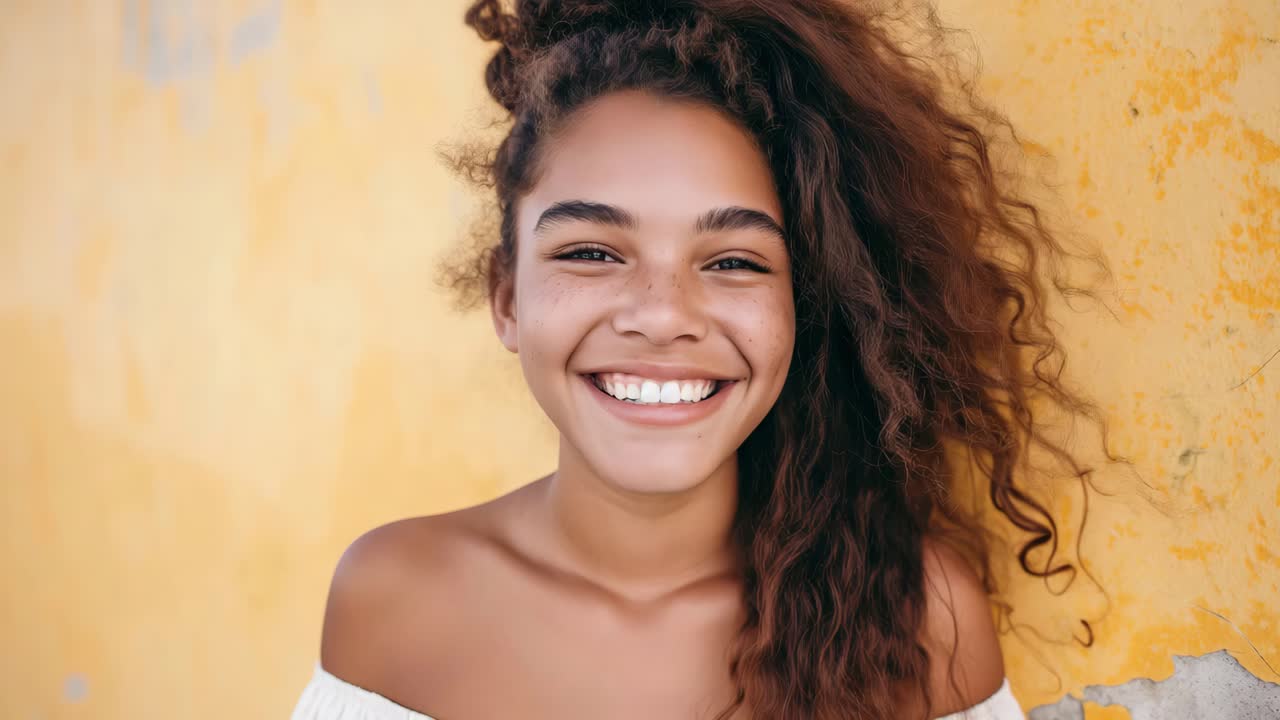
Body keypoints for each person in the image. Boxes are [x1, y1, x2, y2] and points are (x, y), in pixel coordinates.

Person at [292, 0, 1110, 717]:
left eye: (733, 262)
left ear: (803, 307)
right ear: (506, 297)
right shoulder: (395, 602)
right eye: (591, 252)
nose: (662, 316)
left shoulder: (918, 620)